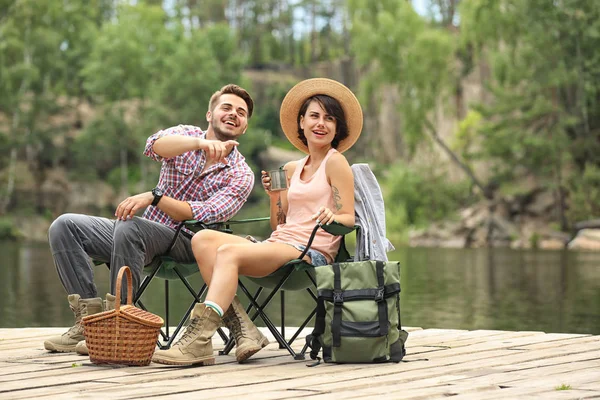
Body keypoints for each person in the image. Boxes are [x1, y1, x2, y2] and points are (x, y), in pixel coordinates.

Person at [151, 77, 363, 366]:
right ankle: (244, 330)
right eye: (314, 116)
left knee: (228, 252)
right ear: (302, 122)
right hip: (282, 243)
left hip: (312, 252)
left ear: (337, 128)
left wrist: (331, 216)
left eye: (329, 119)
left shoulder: (336, 162)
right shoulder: (291, 167)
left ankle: (199, 341)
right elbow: (279, 225)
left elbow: (348, 218)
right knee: (202, 239)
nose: (321, 124)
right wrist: (275, 195)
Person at [43, 84, 255, 354]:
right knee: (64, 226)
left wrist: (154, 197)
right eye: (227, 107)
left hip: (190, 243)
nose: (234, 114)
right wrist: (202, 143)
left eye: (241, 112)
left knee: (130, 225)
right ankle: (87, 324)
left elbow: (201, 214)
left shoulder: (241, 174)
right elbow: (154, 146)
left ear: (245, 126)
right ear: (210, 114)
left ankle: (117, 325)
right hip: (141, 233)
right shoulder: (187, 135)